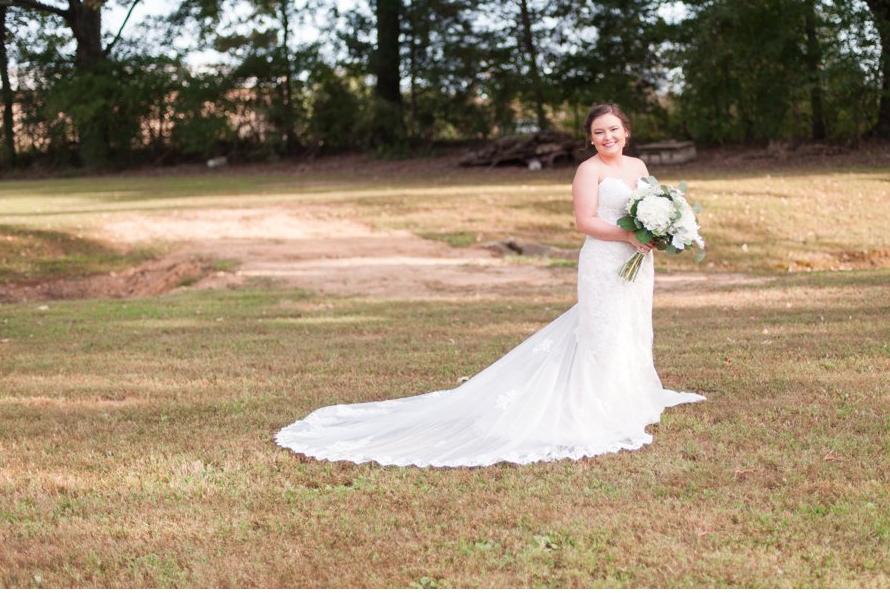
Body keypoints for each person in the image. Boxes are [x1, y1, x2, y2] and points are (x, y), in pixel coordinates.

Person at [275, 103, 705, 467]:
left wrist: (654, 233)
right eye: (598, 132)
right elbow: (585, 222)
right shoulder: (587, 170)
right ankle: (597, 402)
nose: (607, 137)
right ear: (590, 139)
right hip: (604, 258)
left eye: (613, 129)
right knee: (601, 329)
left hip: (637, 260)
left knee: (632, 324)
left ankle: (631, 392)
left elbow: (649, 205)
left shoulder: (639, 166)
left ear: (626, 132)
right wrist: (628, 234)